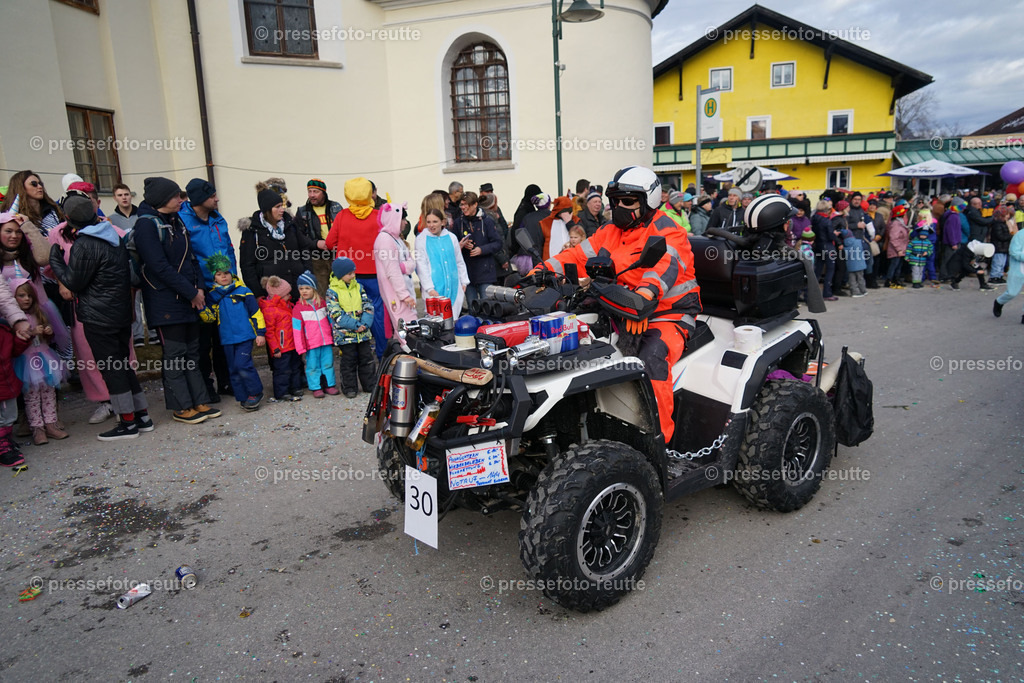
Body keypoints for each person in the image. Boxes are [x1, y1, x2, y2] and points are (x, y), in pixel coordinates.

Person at [533, 166, 700, 444]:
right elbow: (575, 256)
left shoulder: (670, 233)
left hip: (667, 315)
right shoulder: (608, 230)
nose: (619, 207)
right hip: (617, 310)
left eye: (628, 201)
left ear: (651, 199)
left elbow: (660, 273)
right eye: (615, 200)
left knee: (650, 360)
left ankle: (659, 445)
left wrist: (644, 294)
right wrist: (538, 272)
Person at [48, 196, 153, 440]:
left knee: (111, 368)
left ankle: (127, 423)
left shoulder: (85, 244)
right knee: (123, 364)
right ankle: (142, 416)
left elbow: (74, 282)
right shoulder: (112, 234)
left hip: (98, 315)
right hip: (119, 312)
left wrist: (55, 257)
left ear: (69, 219)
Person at [134, 177, 220, 425]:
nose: (182, 200)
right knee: (175, 355)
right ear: (162, 199)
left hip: (189, 298)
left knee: (193, 352)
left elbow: (191, 258)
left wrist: (199, 289)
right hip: (165, 302)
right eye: (176, 196)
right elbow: (158, 266)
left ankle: (199, 399)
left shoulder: (177, 220)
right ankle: (181, 405)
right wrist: (190, 292)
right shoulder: (146, 226)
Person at [180, 178, 233, 400]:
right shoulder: (183, 221)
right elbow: (185, 257)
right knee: (202, 342)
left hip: (224, 288)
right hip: (202, 289)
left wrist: (234, 280)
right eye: (212, 196)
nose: (217, 198)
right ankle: (205, 386)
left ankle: (226, 382)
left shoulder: (218, 220)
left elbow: (229, 249)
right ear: (200, 199)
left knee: (223, 338)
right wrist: (195, 287)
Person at [325, 178, 385, 357]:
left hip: (346, 275)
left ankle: (353, 352)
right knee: (375, 312)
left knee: (346, 311)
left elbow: (329, 243)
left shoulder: (342, 216)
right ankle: (382, 353)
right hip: (374, 273)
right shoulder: (378, 216)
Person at [200, 254, 266, 411]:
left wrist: (260, 332)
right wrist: (202, 309)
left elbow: (256, 313)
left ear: (232, 273)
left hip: (244, 336)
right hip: (227, 338)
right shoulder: (213, 296)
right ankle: (243, 396)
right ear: (214, 278)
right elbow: (210, 318)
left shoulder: (244, 291)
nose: (224, 276)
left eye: (226, 273)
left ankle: (255, 393)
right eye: (219, 274)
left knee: (243, 364)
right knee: (233, 368)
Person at [10, 279, 68, 445]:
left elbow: (50, 338)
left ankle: (51, 424)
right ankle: (37, 428)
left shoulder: (39, 313)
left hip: (45, 358)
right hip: (27, 362)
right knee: (32, 397)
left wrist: (48, 331)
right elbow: (14, 343)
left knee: (49, 393)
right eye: (22, 295)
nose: (27, 299)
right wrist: (31, 332)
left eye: (29, 295)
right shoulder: (14, 320)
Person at [240, 189, 316, 298]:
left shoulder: (290, 225)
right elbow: (247, 265)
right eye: (277, 207)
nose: (282, 210)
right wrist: (257, 294)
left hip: (298, 288)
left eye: (282, 206)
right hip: (272, 292)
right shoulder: (252, 231)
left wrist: (307, 272)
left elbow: (304, 248)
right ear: (267, 210)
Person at [326, 258, 376, 398]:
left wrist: (365, 324)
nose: (353, 275)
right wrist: (355, 326)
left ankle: (369, 384)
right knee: (348, 361)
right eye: (349, 273)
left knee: (366, 359)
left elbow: (368, 305)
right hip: (345, 335)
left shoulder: (359, 287)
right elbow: (335, 313)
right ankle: (349, 388)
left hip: (363, 333)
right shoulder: (332, 292)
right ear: (340, 274)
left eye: (353, 272)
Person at [415, 208, 469, 318]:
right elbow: (421, 266)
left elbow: (459, 261)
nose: (431, 225)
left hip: (454, 287)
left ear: (442, 222)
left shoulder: (451, 237)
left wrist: (463, 282)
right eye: (429, 222)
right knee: (436, 322)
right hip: (434, 290)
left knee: (453, 321)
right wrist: (429, 288)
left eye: (435, 221)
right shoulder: (421, 240)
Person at [258, 275, 304, 402]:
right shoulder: (270, 310)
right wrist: (275, 348)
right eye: (287, 294)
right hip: (281, 347)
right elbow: (269, 332)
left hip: (292, 344)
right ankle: (281, 391)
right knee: (282, 370)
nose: (290, 296)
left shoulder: (288, 306)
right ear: (278, 296)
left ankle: (295, 387)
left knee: (295, 367)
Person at [292, 270, 338, 398]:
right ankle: (316, 387)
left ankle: (330, 385)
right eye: (301, 288)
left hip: (326, 341)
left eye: (307, 288)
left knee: (328, 363)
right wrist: (300, 347)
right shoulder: (298, 308)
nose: (304, 291)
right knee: (313, 366)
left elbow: (330, 321)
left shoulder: (322, 303)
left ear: (314, 289)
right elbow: (297, 330)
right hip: (311, 343)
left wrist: (334, 337)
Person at [373, 202, 417, 334]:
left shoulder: (395, 238)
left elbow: (411, 262)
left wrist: (403, 267)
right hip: (397, 294)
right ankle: (406, 353)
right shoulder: (385, 240)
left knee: (408, 327)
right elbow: (392, 272)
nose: (405, 223)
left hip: (402, 292)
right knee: (406, 329)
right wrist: (404, 295)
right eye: (402, 219)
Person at [292, 179, 340, 297]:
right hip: (317, 258)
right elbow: (299, 236)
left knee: (339, 289)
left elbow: (344, 229)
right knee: (321, 292)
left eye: (316, 191)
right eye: (309, 191)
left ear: (323, 192)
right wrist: (316, 243)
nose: (312, 195)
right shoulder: (302, 211)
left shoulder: (336, 207)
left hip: (337, 254)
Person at [453, 191, 503, 303]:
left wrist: (482, 250)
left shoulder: (487, 221)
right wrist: (462, 245)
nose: (464, 208)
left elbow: (498, 243)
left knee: (487, 305)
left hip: (485, 272)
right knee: (472, 306)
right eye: (462, 204)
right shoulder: (458, 223)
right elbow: (453, 246)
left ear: (475, 205)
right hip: (467, 272)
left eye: (467, 205)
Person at [0, 314, 31, 466]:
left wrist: (20, 339)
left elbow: (13, 352)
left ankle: (5, 441)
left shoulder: (4, 330)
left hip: (7, 383)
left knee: (9, 416)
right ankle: (3, 448)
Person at [0, 171, 63, 237]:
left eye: (40, 184)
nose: (39, 186)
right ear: (21, 187)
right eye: (34, 184)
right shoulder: (13, 215)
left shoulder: (54, 210)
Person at [992, 225, 1024, 322]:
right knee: (1012, 292)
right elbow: (1013, 251)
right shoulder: (1020, 235)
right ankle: (999, 302)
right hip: (1019, 268)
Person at [512, 192, 549, 270]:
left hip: (525, 257)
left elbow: (520, 233)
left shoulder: (527, 217)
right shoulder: (551, 217)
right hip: (542, 258)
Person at [885, 204, 910, 289]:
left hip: (901, 248)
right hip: (896, 249)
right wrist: (899, 249)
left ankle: (896, 279)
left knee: (898, 265)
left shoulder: (900, 223)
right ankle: (889, 280)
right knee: (894, 265)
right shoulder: (896, 224)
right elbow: (893, 238)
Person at [841, 228, 868, 297]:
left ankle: (854, 292)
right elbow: (865, 248)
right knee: (860, 278)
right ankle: (863, 290)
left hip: (850, 265)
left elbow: (845, 256)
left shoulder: (844, 246)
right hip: (860, 264)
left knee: (852, 279)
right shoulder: (858, 242)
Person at [989, 206, 1012, 284]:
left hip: (1003, 247)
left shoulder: (1003, 224)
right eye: (1006, 215)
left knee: (1002, 263)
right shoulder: (997, 225)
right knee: (997, 263)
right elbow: (1000, 236)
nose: (1008, 217)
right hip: (999, 247)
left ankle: (999, 276)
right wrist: (1010, 236)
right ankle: (994, 277)